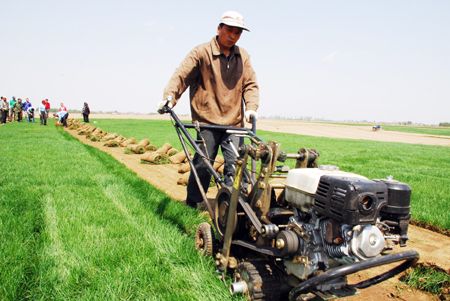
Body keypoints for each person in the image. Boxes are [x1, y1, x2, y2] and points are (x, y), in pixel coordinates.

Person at [158, 11, 259, 208]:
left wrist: (251, 107)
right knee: (203, 165)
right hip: (207, 120)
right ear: (219, 28)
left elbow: (251, 84)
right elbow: (182, 75)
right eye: (229, 30)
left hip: (234, 124)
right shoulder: (201, 52)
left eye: (238, 32)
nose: (233, 35)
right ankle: (193, 203)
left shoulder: (243, 56)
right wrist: (169, 97)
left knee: (236, 167)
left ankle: (231, 209)